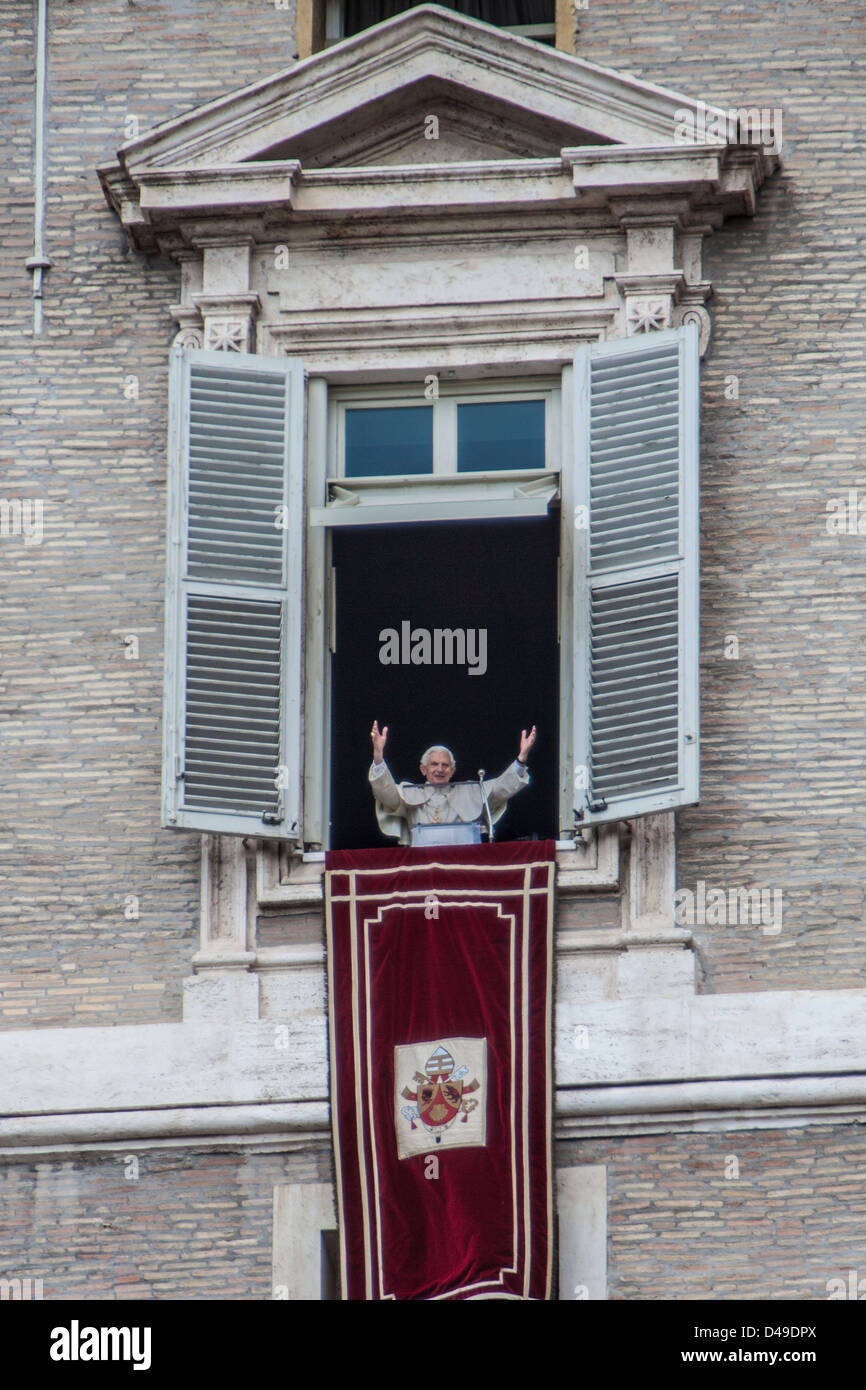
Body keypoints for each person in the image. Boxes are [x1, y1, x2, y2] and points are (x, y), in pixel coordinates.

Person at [368, 720, 536, 845]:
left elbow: (499, 790)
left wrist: (520, 760)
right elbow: (386, 795)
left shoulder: (469, 791)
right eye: (434, 764)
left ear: (452, 771)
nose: (440, 769)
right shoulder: (410, 792)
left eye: (445, 765)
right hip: (422, 866)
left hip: (463, 866)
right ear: (423, 770)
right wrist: (378, 758)